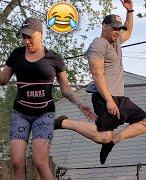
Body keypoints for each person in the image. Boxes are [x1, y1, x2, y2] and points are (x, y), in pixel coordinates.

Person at [54, 0, 146, 164]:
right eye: (114, 28)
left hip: (120, 98)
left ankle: (112, 142)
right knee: (103, 136)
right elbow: (97, 74)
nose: (117, 31)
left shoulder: (116, 42)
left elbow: (127, 33)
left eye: (119, 28)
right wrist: (108, 100)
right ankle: (65, 122)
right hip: (104, 97)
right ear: (104, 26)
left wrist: (130, 11)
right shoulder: (98, 44)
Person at [0, 17, 96, 180]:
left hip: (44, 114)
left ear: (40, 34)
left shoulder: (54, 58)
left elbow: (65, 88)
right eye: (23, 37)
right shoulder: (16, 55)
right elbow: (3, 79)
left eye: (29, 36)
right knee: (16, 162)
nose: (26, 41)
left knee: (40, 162)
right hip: (20, 113)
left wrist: (80, 104)